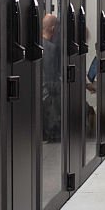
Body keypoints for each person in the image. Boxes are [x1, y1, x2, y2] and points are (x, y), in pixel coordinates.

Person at [41, 13, 62, 142]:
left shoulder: (38, 46)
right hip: (47, 97)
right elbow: (51, 81)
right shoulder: (50, 49)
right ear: (54, 29)